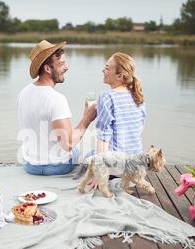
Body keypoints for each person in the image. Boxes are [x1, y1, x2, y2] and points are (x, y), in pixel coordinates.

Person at [17, 40, 97, 175]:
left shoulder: (23, 92)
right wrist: (87, 119)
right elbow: (68, 144)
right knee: (88, 150)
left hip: (30, 165)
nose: (66, 67)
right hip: (57, 167)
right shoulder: (56, 99)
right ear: (47, 68)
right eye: (62, 64)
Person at [87, 52, 146, 190]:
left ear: (119, 76)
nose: (103, 70)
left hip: (117, 170)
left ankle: (112, 180)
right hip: (136, 169)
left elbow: (103, 137)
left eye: (107, 68)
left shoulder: (107, 96)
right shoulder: (138, 95)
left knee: (88, 155)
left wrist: (98, 174)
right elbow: (139, 129)